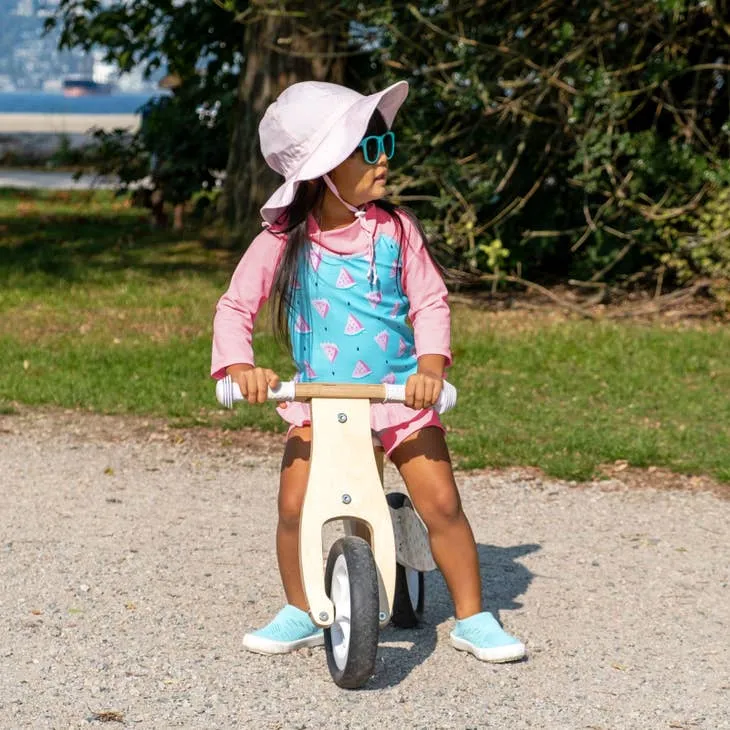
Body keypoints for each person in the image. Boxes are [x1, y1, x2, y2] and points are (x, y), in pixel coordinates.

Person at [211, 80, 525, 663]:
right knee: (295, 504)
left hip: (398, 395)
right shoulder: (285, 240)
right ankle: (302, 608)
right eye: (368, 146)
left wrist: (430, 368)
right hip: (321, 399)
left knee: (441, 502)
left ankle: (473, 615)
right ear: (324, 168)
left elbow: (429, 301)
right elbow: (235, 306)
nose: (385, 159)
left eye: (386, 143)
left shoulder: (397, 230)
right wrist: (240, 365)